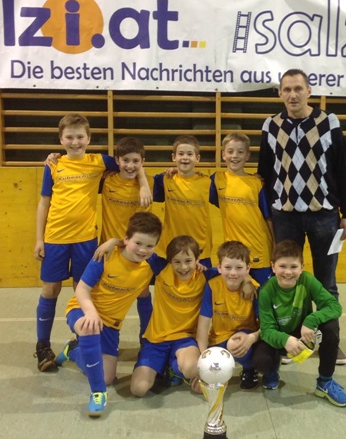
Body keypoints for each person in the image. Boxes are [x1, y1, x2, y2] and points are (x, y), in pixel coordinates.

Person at [32, 114, 150, 372]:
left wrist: (143, 184)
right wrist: (39, 238)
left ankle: (81, 340)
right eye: (69, 137)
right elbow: (44, 202)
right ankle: (42, 345)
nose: (75, 142)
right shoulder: (53, 165)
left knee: (82, 290)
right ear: (61, 139)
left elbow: (130, 160)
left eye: (80, 137)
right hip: (55, 238)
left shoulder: (98, 161)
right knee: (50, 289)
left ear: (88, 139)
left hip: (86, 240)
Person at [257, 68, 346, 365]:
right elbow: (265, 173)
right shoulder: (271, 126)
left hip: (324, 215)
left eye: (298, 88)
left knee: (327, 284)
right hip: (285, 216)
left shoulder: (329, 122)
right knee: (286, 280)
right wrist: (269, 212)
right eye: (287, 89)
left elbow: (343, 168)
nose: (293, 95)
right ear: (280, 93)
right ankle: (291, 343)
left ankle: (329, 344)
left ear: (309, 91)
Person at [54, 211, 164, 417]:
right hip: (82, 310)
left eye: (150, 246)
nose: (143, 250)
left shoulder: (152, 263)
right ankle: (98, 394)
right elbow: (82, 289)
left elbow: (179, 263)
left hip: (111, 325)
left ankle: (73, 351)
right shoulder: (105, 256)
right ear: (126, 239)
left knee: (107, 377)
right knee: (89, 329)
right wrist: (90, 313)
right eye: (138, 243)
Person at [255, 240, 346, 407]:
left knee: (331, 327)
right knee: (261, 361)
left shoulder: (307, 280)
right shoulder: (266, 291)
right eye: (282, 266)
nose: (288, 272)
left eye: (293, 267)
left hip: (303, 332)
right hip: (278, 334)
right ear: (273, 266)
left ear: (302, 267)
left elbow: (335, 307)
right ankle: (272, 370)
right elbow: (267, 330)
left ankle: (325, 382)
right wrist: (285, 340)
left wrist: (311, 320)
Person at [130, 235, 208, 397]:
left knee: (192, 369)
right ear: (169, 261)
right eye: (177, 262)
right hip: (156, 340)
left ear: (197, 260)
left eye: (188, 261)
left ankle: (173, 368)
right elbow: (139, 248)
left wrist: (247, 282)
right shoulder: (161, 268)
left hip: (184, 339)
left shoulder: (205, 275)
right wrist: (112, 242)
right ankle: (159, 363)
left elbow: (230, 273)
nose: (183, 267)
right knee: (138, 389)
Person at [99, 136, 155, 343]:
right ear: (117, 160)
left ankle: (146, 338)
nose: (130, 165)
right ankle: (96, 337)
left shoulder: (151, 183)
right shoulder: (106, 180)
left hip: (138, 251)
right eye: (125, 160)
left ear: (143, 162)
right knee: (104, 296)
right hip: (110, 250)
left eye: (136, 161)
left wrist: (143, 183)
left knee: (143, 292)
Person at [209, 132, 274, 285]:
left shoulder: (256, 184)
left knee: (263, 295)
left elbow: (269, 218)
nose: (235, 156)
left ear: (247, 156)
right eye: (230, 151)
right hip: (234, 254)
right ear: (223, 154)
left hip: (259, 252)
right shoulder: (216, 180)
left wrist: (276, 247)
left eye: (240, 152)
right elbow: (197, 186)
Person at [196, 240, 261, 390]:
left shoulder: (255, 289)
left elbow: (266, 326)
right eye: (227, 267)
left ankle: (250, 368)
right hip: (218, 337)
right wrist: (203, 359)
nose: (233, 273)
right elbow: (203, 326)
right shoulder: (212, 286)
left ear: (248, 268)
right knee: (194, 369)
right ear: (219, 267)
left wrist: (252, 338)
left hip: (244, 336)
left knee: (234, 345)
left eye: (239, 268)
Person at [153, 135, 214, 268]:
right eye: (181, 154)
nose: (185, 157)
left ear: (197, 158)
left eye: (189, 154)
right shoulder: (165, 179)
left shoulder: (207, 182)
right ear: (173, 157)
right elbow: (141, 183)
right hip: (170, 249)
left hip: (200, 250)